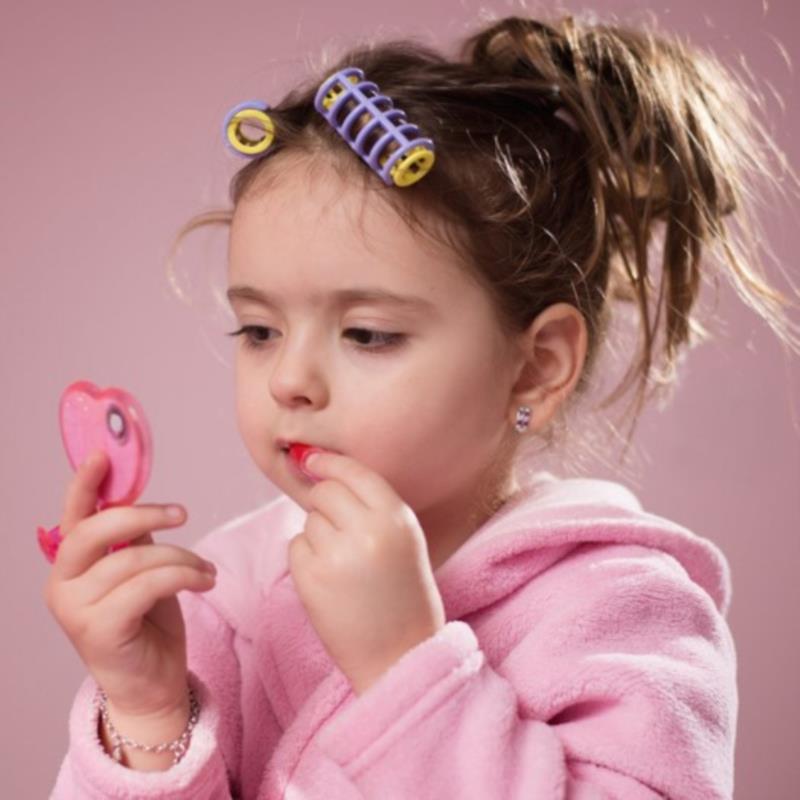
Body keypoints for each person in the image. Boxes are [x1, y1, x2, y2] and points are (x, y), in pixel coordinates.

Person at [44, 12, 799, 799]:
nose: (288, 380)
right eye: (260, 330)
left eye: (368, 334)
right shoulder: (227, 594)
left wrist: (405, 668)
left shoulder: (622, 613)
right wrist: (148, 712)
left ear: (536, 369)